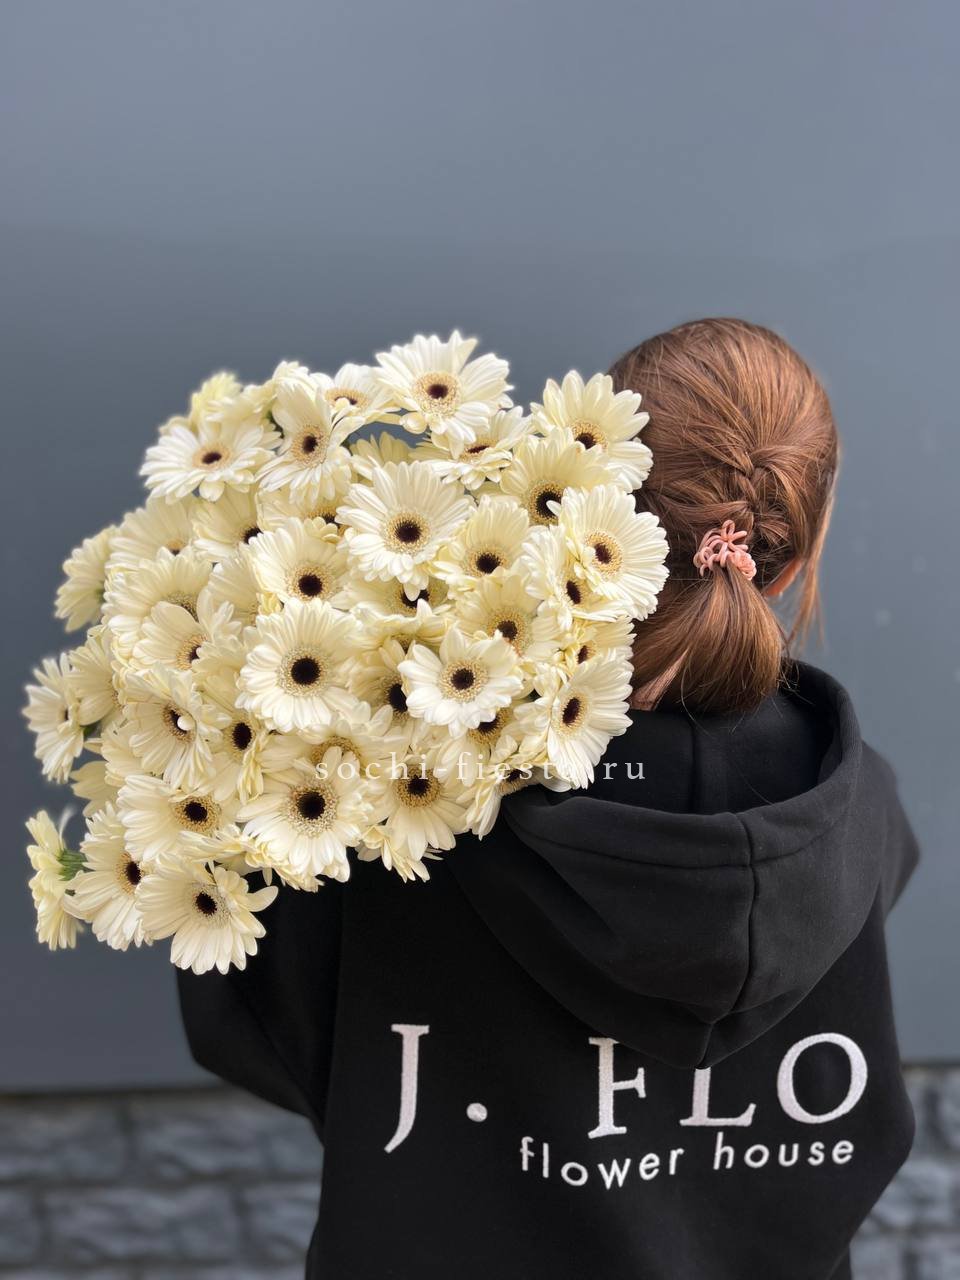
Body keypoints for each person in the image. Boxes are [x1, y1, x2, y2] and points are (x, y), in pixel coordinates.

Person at [178, 318, 918, 1280]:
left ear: (581, 493)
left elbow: (250, 1015)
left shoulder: (404, 789)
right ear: (796, 553)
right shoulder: (857, 811)